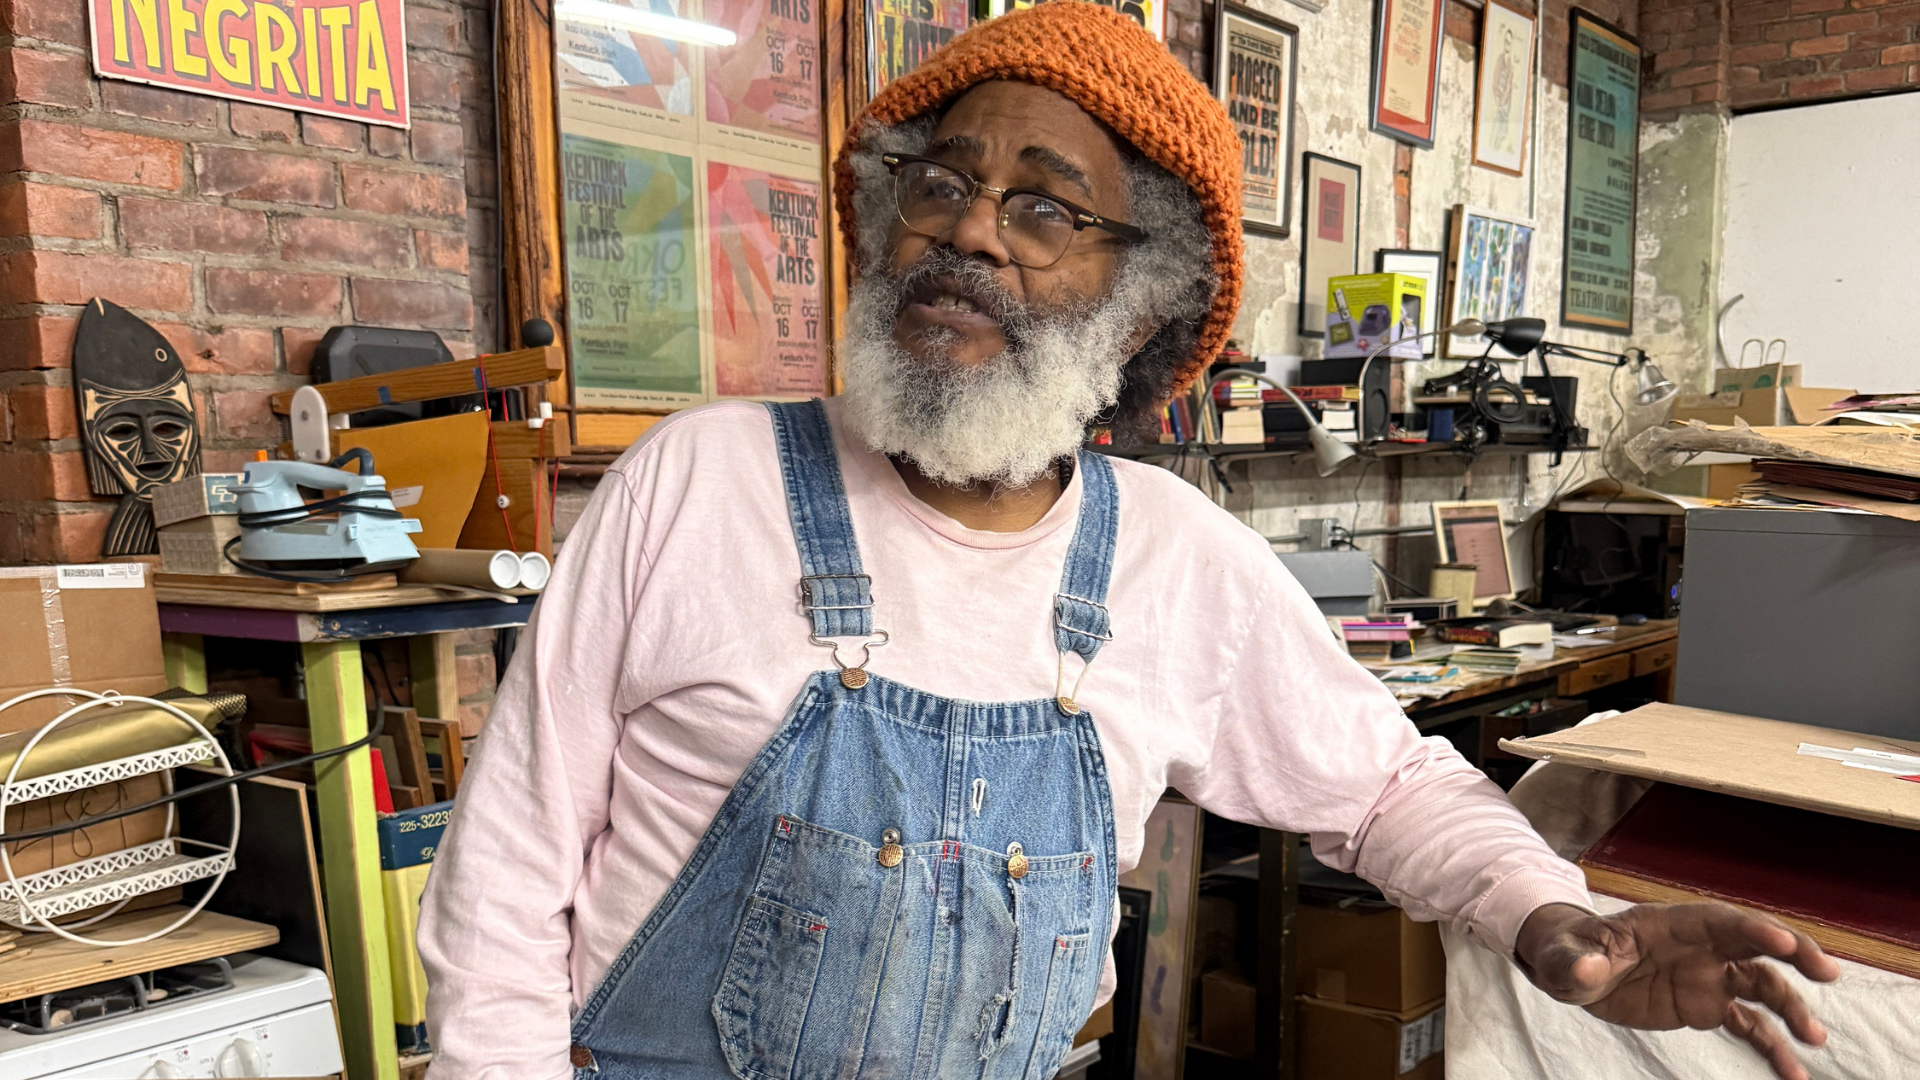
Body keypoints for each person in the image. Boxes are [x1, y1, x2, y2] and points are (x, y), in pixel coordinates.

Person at [419, 5, 1839, 1078]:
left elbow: (1391, 790)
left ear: (1143, 294)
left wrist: (1548, 913)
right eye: (939, 181)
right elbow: (507, 875)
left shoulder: (1171, 555)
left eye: (1044, 205)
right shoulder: (696, 483)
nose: (969, 228)